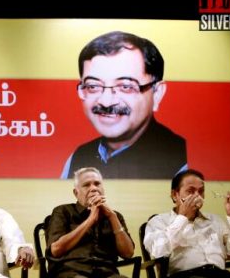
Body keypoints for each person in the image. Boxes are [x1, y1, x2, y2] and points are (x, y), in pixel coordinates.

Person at [61, 31, 187, 180]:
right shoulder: (78, 158)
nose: (106, 102)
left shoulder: (183, 164)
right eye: (93, 86)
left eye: (125, 86)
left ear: (157, 93)